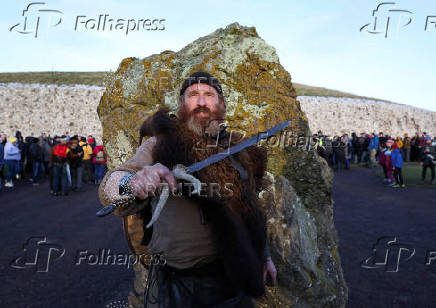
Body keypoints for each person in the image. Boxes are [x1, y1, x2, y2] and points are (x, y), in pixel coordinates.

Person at [98, 71, 277, 308]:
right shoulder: (159, 146)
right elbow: (111, 184)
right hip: (179, 288)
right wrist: (131, 183)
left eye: (209, 95)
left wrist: (264, 257)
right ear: (182, 104)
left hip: (235, 278)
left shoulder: (237, 150)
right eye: (193, 94)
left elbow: (251, 210)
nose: (202, 102)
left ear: (221, 104)